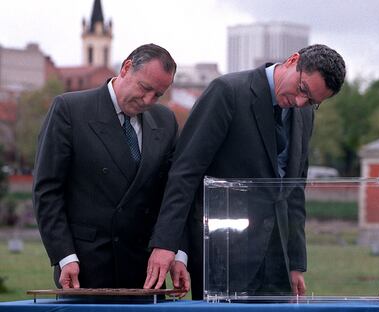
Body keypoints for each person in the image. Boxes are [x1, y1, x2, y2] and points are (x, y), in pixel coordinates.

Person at [144, 44, 346, 299]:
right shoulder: (228, 92)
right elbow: (185, 173)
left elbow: (295, 190)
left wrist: (295, 263)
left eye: (312, 102)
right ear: (293, 60)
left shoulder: (304, 115)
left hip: (277, 267)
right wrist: (167, 244)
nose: (299, 101)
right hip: (221, 258)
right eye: (302, 89)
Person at [33, 43, 190, 293]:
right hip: (85, 269)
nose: (149, 100)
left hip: (146, 272)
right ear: (126, 68)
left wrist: (177, 251)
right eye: (145, 88)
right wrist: (65, 256)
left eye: (158, 94)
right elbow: (47, 190)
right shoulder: (70, 110)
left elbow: (174, 195)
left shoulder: (166, 121)